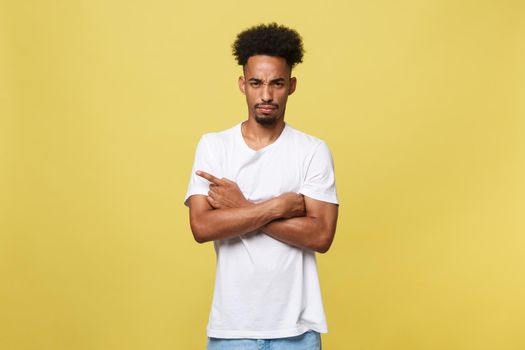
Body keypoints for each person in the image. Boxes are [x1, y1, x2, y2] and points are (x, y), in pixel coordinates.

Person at [184, 23, 339, 350]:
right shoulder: (214, 147)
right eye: (256, 83)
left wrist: (239, 207)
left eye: (276, 83)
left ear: (291, 86)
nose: (266, 94)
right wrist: (278, 206)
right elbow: (201, 226)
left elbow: (321, 236)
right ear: (243, 84)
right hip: (232, 330)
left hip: (297, 331)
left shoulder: (312, 151)